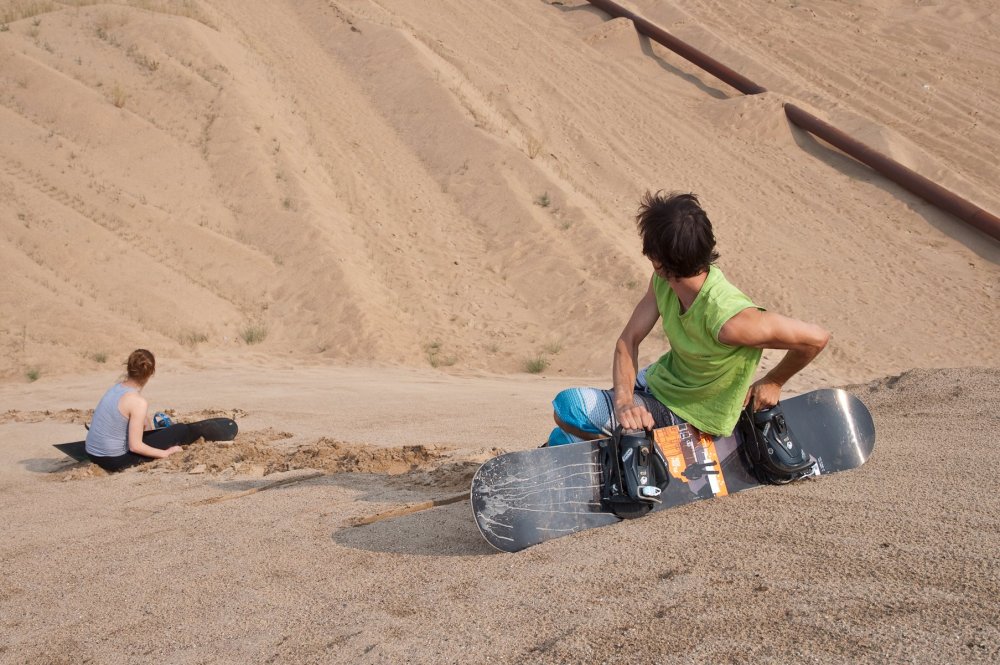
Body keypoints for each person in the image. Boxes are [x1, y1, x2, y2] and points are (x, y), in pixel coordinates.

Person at [546, 191, 830, 445]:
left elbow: (816, 338)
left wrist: (775, 381)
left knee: (568, 407)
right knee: (566, 433)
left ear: (658, 260)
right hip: (660, 382)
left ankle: (643, 446)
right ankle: (599, 440)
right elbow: (628, 340)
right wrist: (624, 401)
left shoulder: (732, 320)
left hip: (691, 413)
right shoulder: (662, 283)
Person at [84, 349, 184, 471]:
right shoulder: (138, 402)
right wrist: (165, 453)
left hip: (92, 453)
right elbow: (135, 447)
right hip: (114, 460)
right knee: (180, 429)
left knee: (144, 422)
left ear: (129, 368)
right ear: (151, 373)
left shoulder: (115, 388)